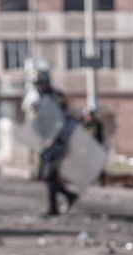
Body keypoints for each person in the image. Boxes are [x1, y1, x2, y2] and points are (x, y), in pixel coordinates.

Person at [29, 70, 79, 216]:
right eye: (36, 84)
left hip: (58, 141)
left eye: (40, 83)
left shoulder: (57, 97)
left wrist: (54, 138)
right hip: (45, 142)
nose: (38, 86)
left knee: (49, 174)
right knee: (49, 175)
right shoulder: (38, 100)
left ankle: (60, 203)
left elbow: (61, 120)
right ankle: (60, 203)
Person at [82, 107, 106, 185]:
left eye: (89, 115)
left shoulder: (97, 124)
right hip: (87, 148)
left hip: (96, 148)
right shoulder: (84, 125)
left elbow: (101, 137)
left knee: (98, 165)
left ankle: (101, 181)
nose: (88, 117)